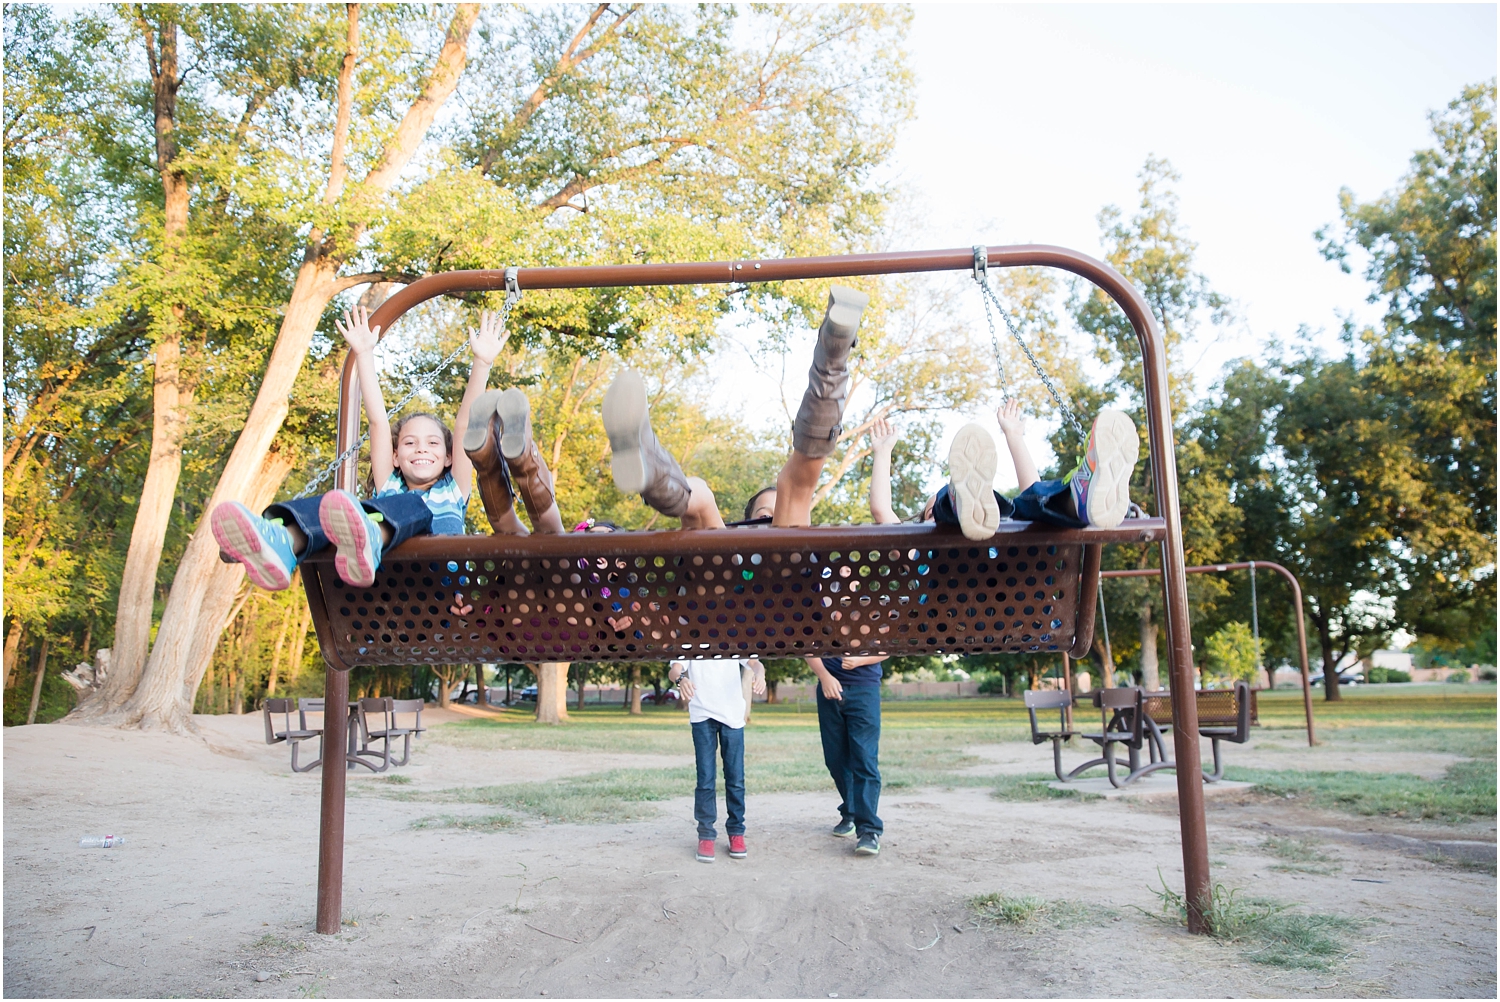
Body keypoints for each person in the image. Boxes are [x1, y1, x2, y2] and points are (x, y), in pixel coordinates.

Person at [211, 305, 505, 590]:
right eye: (409, 443)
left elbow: (465, 425)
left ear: (449, 457)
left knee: (410, 506)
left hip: (440, 587)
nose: (421, 449)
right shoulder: (389, 484)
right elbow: (378, 422)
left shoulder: (454, 489)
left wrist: (482, 363)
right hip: (385, 589)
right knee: (335, 507)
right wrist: (363, 353)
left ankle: (373, 535)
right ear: (395, 456)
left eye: (432, 443)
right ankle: (283, 542)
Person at [602, 284, 871, 530]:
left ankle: (656, 477)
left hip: (773, 574)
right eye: (765, 516)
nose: (773, 520)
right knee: (714, 497)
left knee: (784, 489)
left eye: (772, 517)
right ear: (745, 523)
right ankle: (834, 354)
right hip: (730, 574)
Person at [867, 401, 1140, 540]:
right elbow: (882, 512)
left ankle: (1074, 501)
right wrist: (1014, 438)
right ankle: (952, 502)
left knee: (1025, 509)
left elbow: (1030, 493)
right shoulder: (915, 547)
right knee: (1026, 511)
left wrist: (1014, 435)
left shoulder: (914, 553)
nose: (930, 520)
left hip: (951, 608)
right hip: (1028, 603)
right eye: (930, 515)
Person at [667, 657, 767, 862]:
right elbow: (675, 669)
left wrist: (760, 674)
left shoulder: (732, 634)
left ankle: (736, 832)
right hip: (702, 716)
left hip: (732, 718)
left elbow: (755, 662)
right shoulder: (690, 637)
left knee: (736, 779)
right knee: (705, 780)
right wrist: (681, 680)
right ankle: (706, 835)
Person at [805, 653, 888, 856]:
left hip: (865, 690)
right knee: (835, 759)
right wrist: (824, 677)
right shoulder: (820, 620)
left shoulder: (876, 619)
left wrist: (860, 661)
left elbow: (887, 647)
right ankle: (850, 811)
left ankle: (869, 830)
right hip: (828, 689)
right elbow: (807, 647)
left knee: (864, 758)